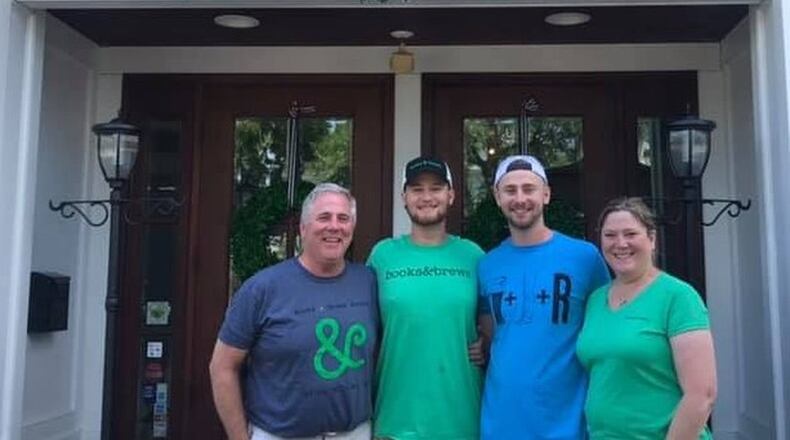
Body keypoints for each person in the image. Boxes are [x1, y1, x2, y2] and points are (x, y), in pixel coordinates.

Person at [209, 183, 378, 440]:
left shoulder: (368, 282)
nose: (334, 226)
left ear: (351, 229)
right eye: (324, 217)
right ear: (303, 228)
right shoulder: (262, 288)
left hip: (355, 433)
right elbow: (222, 367)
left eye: (343, 218)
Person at [477, 154, 610, 440]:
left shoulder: (585, 258)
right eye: (510, 190)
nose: (520, 198)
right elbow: (489, 339)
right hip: (501, 423)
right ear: (497, 197)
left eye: (529, 188)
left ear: (546, 194)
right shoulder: (487, 264)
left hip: (568, 424)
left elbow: (608, 330)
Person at [576, 197, 717, 439]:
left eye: (630, 234)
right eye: (610, 235)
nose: (620, 243)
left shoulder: (678, 297)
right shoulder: (596, 300)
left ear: (651, 239)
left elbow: (702, 394)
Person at [367, 156, 486, 440]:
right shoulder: (382, 256)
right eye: (417, 189)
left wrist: (488, 343)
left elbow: (494, 324)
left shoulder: (474, 256)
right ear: (404, 198)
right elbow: (364, 330)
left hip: (462, 422)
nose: (426, 197)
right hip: (395, 421)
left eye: (436, 188)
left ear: (451, 195)